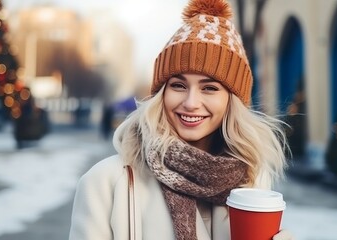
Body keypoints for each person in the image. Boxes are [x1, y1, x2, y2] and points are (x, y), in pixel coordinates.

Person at [69, 0, 293, 239]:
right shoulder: (107, 182)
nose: (190, 102)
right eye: (178, 85)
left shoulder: (250, 186)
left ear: (232, 101)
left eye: (209, 88)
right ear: (160, 94)